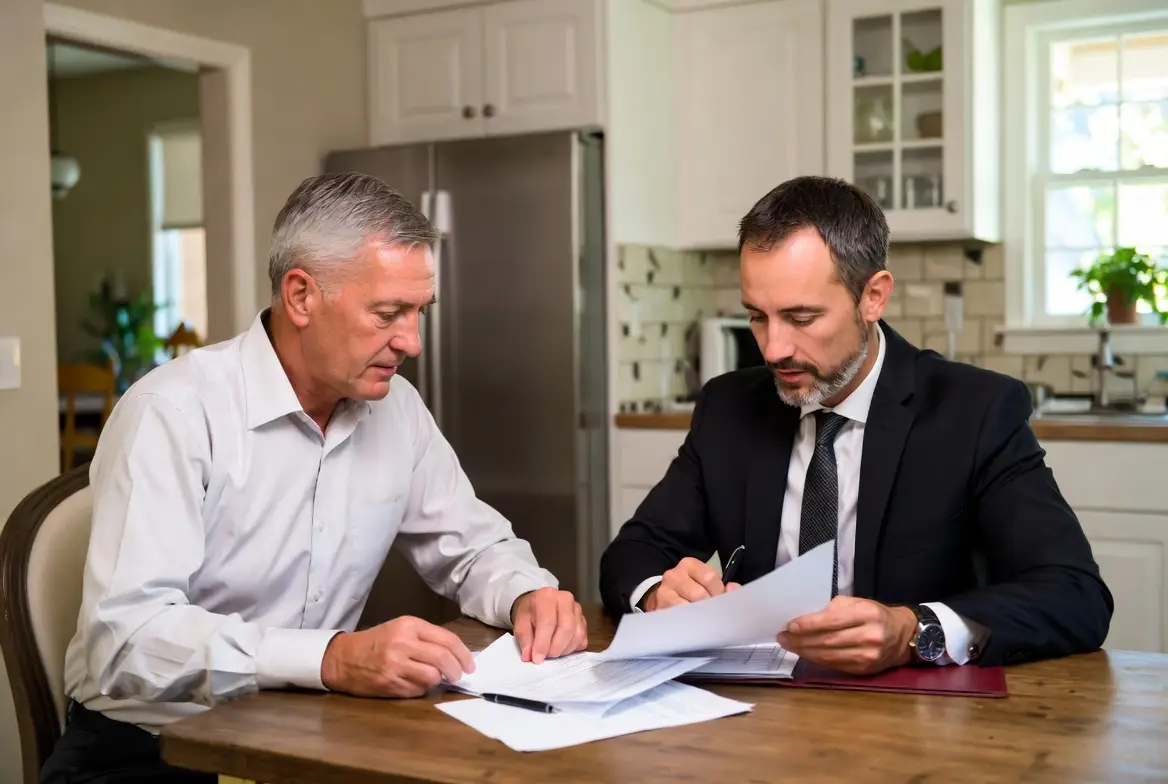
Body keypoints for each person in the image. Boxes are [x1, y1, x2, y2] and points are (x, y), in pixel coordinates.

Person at [42, 173, 587, 783]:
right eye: (388, 313)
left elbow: (474, 545)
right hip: (151, 749)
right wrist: (329, 659)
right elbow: (126, 637)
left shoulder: (397, 410)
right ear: (300, 296)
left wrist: (525, 592)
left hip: (311, 733)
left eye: (418, 312)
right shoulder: (172, 413)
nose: (411, 341)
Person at [599, 175, 1112, 676]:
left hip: (920, 723)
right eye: (757, 316)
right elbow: (631, 554)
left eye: (801, 319)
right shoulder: (729, 407)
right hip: (758, 716)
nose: (774, 348)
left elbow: (1074, 594)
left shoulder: (975, 410)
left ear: (873, 297)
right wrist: (657, 594)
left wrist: (915, 631)